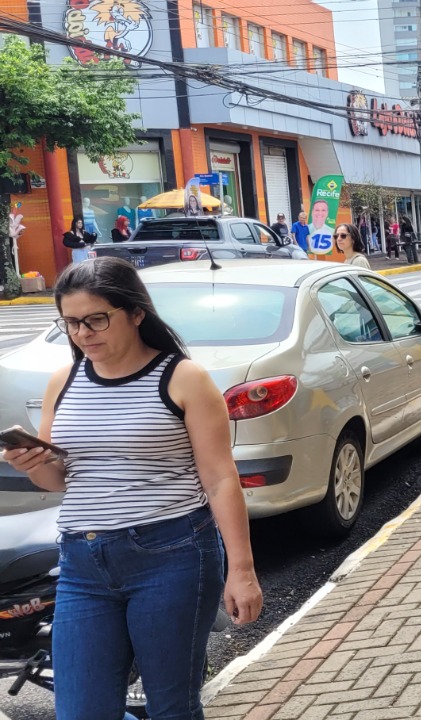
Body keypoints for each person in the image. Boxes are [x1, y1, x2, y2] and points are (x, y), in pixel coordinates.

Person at [1, 257, 263, 719]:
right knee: (81, 711)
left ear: (136, 313)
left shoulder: (183, 378)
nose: (83, 334)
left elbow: (220, 477)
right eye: (71, 323)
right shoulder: (64, 381)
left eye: (96, 319)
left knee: (170, 707)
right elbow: (59, 480)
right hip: (83, 561)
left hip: (172, 555)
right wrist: (32, 464)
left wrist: (240, 570)